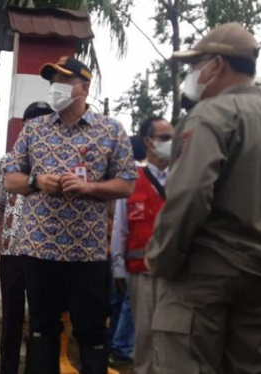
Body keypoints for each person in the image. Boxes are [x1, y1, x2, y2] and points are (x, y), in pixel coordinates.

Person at [145, 22, 261, 373]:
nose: (192, 74)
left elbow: (190, 192)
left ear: (217, 65)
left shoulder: (210, 114)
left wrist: (163, 258)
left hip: (205, 277)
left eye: (195, 64)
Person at [4, 56, 137, 374]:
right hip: (38, 250)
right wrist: (37, 181)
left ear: (85, 87)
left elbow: (127, 184)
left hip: (85, 253)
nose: (56, 88)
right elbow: (10, 178)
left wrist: (89, 188)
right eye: (53, 82)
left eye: (64, 81)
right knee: (41, 329)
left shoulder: (111, 130)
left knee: (91, 334)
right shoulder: (34, 130)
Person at [0, 101, 53, 374]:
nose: (36, 126)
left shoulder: (56, 164)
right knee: (10, 317)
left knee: (40, 317)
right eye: (31, 122)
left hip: (44, 253)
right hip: (11, 253)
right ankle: (8, 369)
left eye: (43, 121)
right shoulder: (8, 162)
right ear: (23, 127)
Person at [111, 117, 173, 374]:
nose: (171, 143)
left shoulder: (183, 178)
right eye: (164, 138)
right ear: (148, 141)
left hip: (176, 273)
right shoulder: (132, 179)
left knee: (172, 337)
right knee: (144, 336)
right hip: (141, 271)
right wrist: (118, 266)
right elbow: (120, 227)